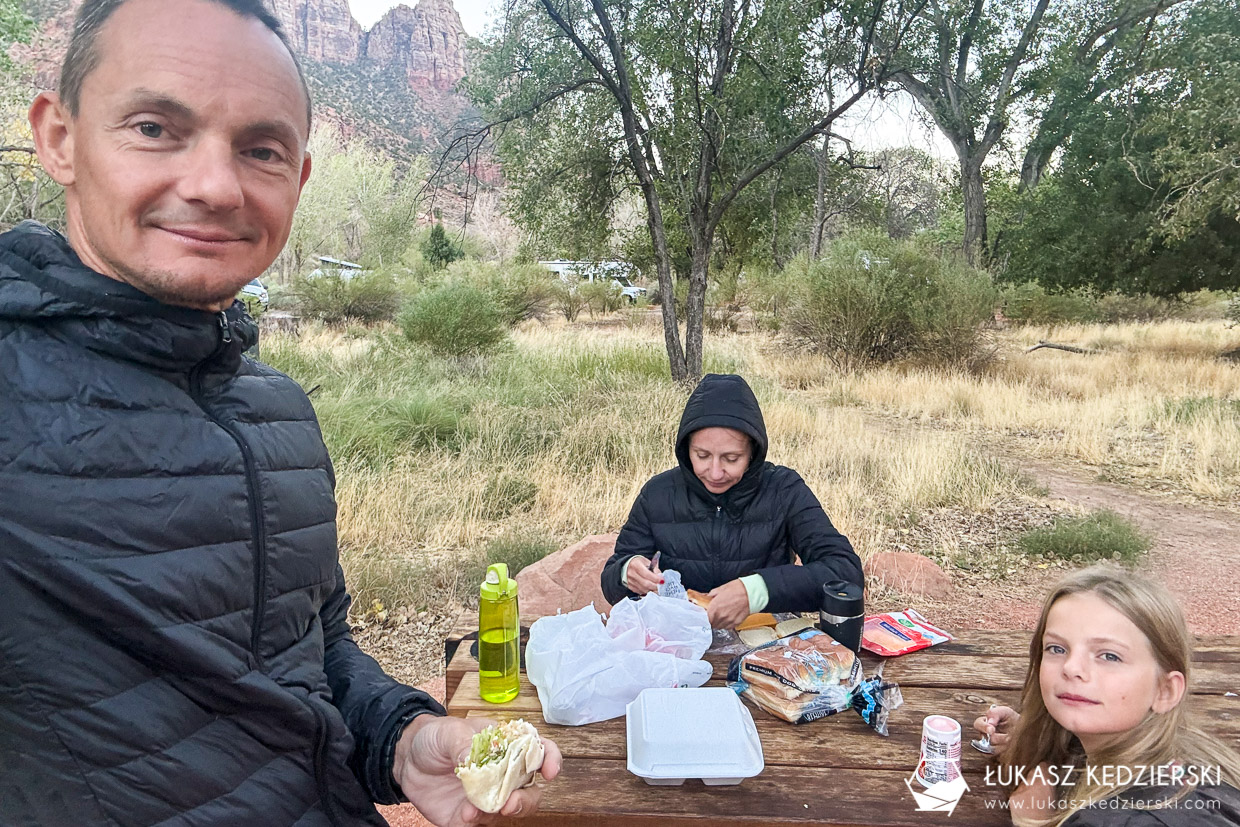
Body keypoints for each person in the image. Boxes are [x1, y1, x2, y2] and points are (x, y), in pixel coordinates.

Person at [0, 1, 559, 825]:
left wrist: (401, 738)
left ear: (297, 178)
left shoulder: (278, 412)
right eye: (155, 127)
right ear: (60, 138)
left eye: (260, 149)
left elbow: (313, 649)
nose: (215, 185)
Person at [972, 567, 1240, 826]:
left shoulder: (1126, 819)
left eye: (1109, 656)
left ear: (1165, 691)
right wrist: (1031, 736)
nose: (1071, 668)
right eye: (1056, 648)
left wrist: (1034, 822)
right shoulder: (1186, 758)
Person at [599, 373, 862, 629]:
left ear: (753, 453)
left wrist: (755, 591)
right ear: (685, 448)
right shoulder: (658, 494)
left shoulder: (784, 490)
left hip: (768, 646)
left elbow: (845, 572)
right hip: (679, 644)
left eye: (731, 459)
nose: (714, 473)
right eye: (702, 455)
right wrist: (626, 572)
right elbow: (613, 578)